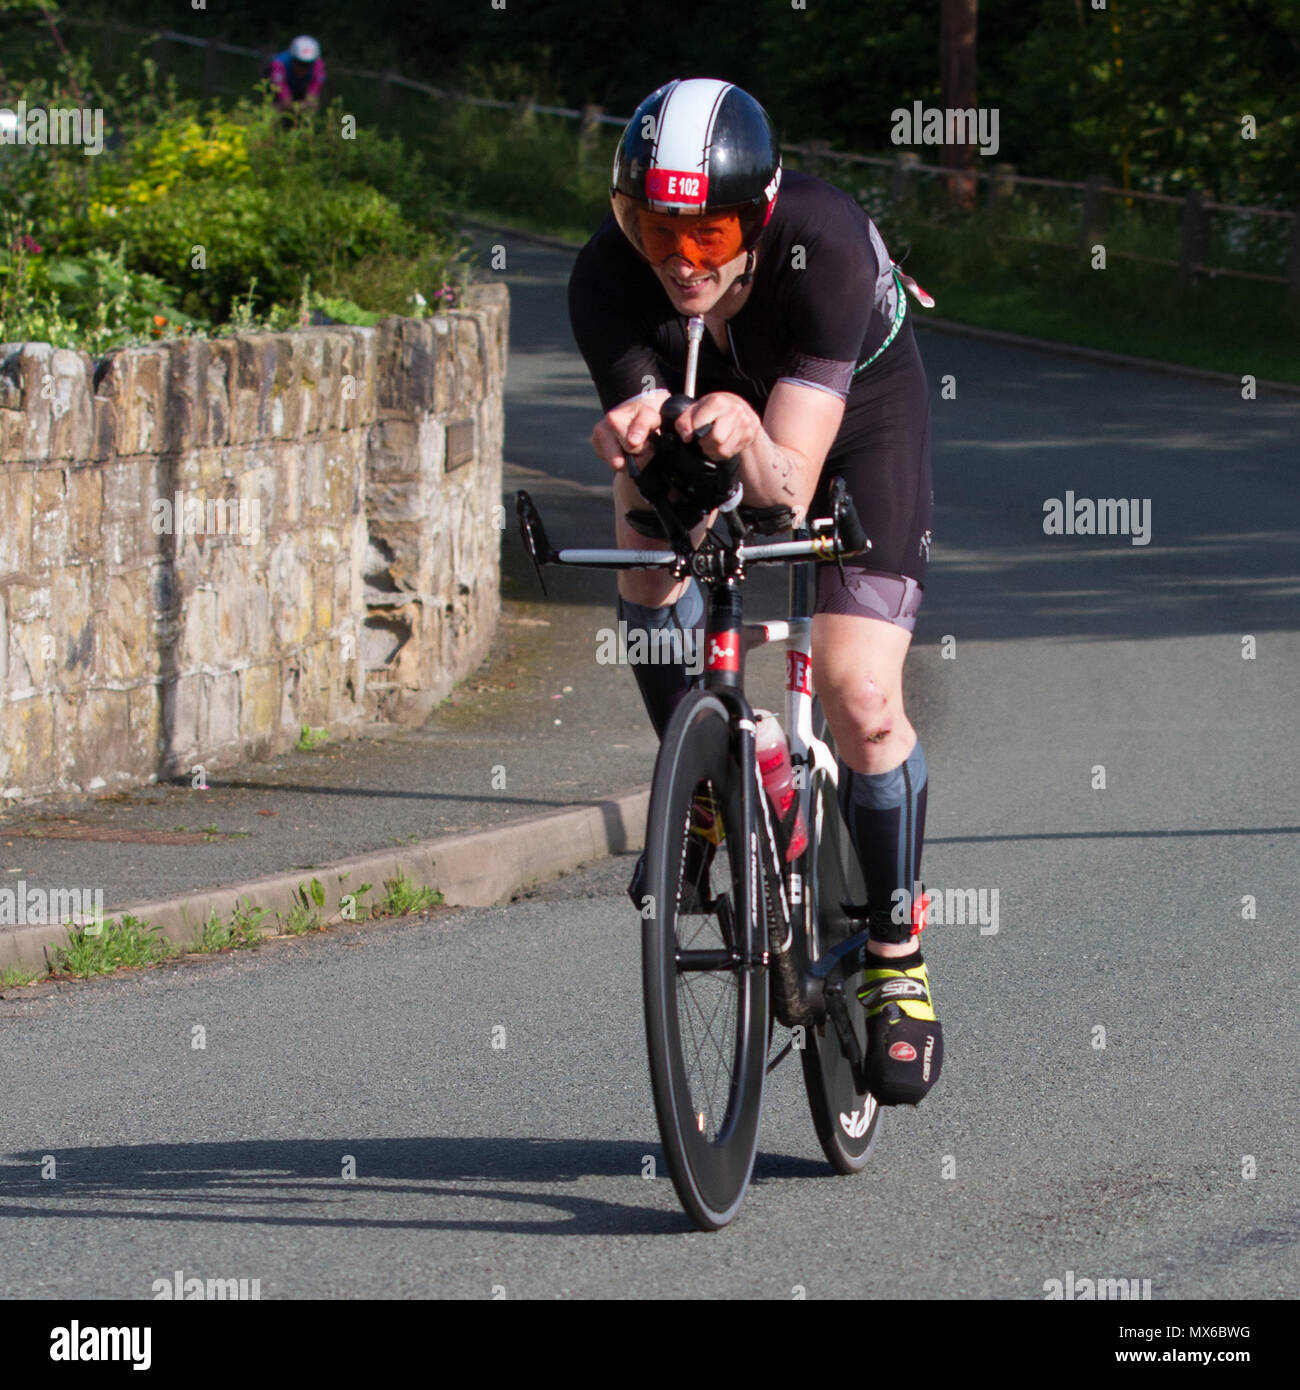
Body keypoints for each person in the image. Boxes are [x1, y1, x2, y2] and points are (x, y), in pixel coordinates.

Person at [568, 78, 942, 1106]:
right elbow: (674, 477)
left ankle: (896, 952)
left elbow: (783, 492)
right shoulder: (607, 277)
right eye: (655, 228)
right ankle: (710, 777)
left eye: (711, 231)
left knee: (861, 693)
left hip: (853, 423)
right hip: (729, 409)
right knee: (640, 533)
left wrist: (740, 423)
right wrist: (640, 444)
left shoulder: (821, 243)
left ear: (760, 214)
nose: (681, 260)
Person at [265, 35, 327, 111]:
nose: (303, 68)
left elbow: (312, 100)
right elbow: (285, 102)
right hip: (277, 89)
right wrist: (304, 105)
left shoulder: (319, 67)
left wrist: (305, 104)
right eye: (299, 63)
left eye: (308, 64)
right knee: (274, 109)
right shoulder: (279, 64)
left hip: (299, 88)